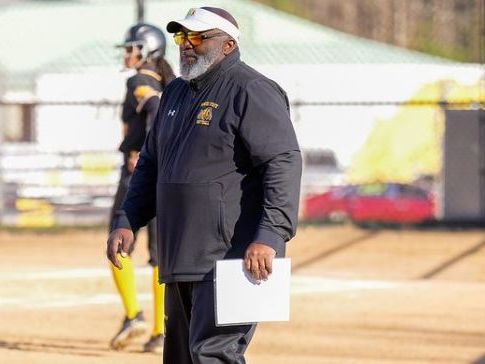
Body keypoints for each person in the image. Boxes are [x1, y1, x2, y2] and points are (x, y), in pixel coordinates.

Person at [107, 6, 302, 363]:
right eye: (181, 37)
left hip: (234, 256)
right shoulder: (176, 93)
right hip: (180, 254)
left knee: (214, 355)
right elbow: (150, 164)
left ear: (227, 45)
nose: (185, 45)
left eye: (197, 37)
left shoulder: (252, 89)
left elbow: (283, 163)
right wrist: (128, 219)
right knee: (181, 357)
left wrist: (270, 235)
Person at [108, 23, 175, 354]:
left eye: (131, 47)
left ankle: (134, 315)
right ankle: (160, 331)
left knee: (117, 240)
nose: (127, 53)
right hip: (164, 173)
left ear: (147, 50)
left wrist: (145, 150)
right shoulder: (168, 80)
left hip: (139, 174)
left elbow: (155, 107)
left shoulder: (140, 80)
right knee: (160, 253)